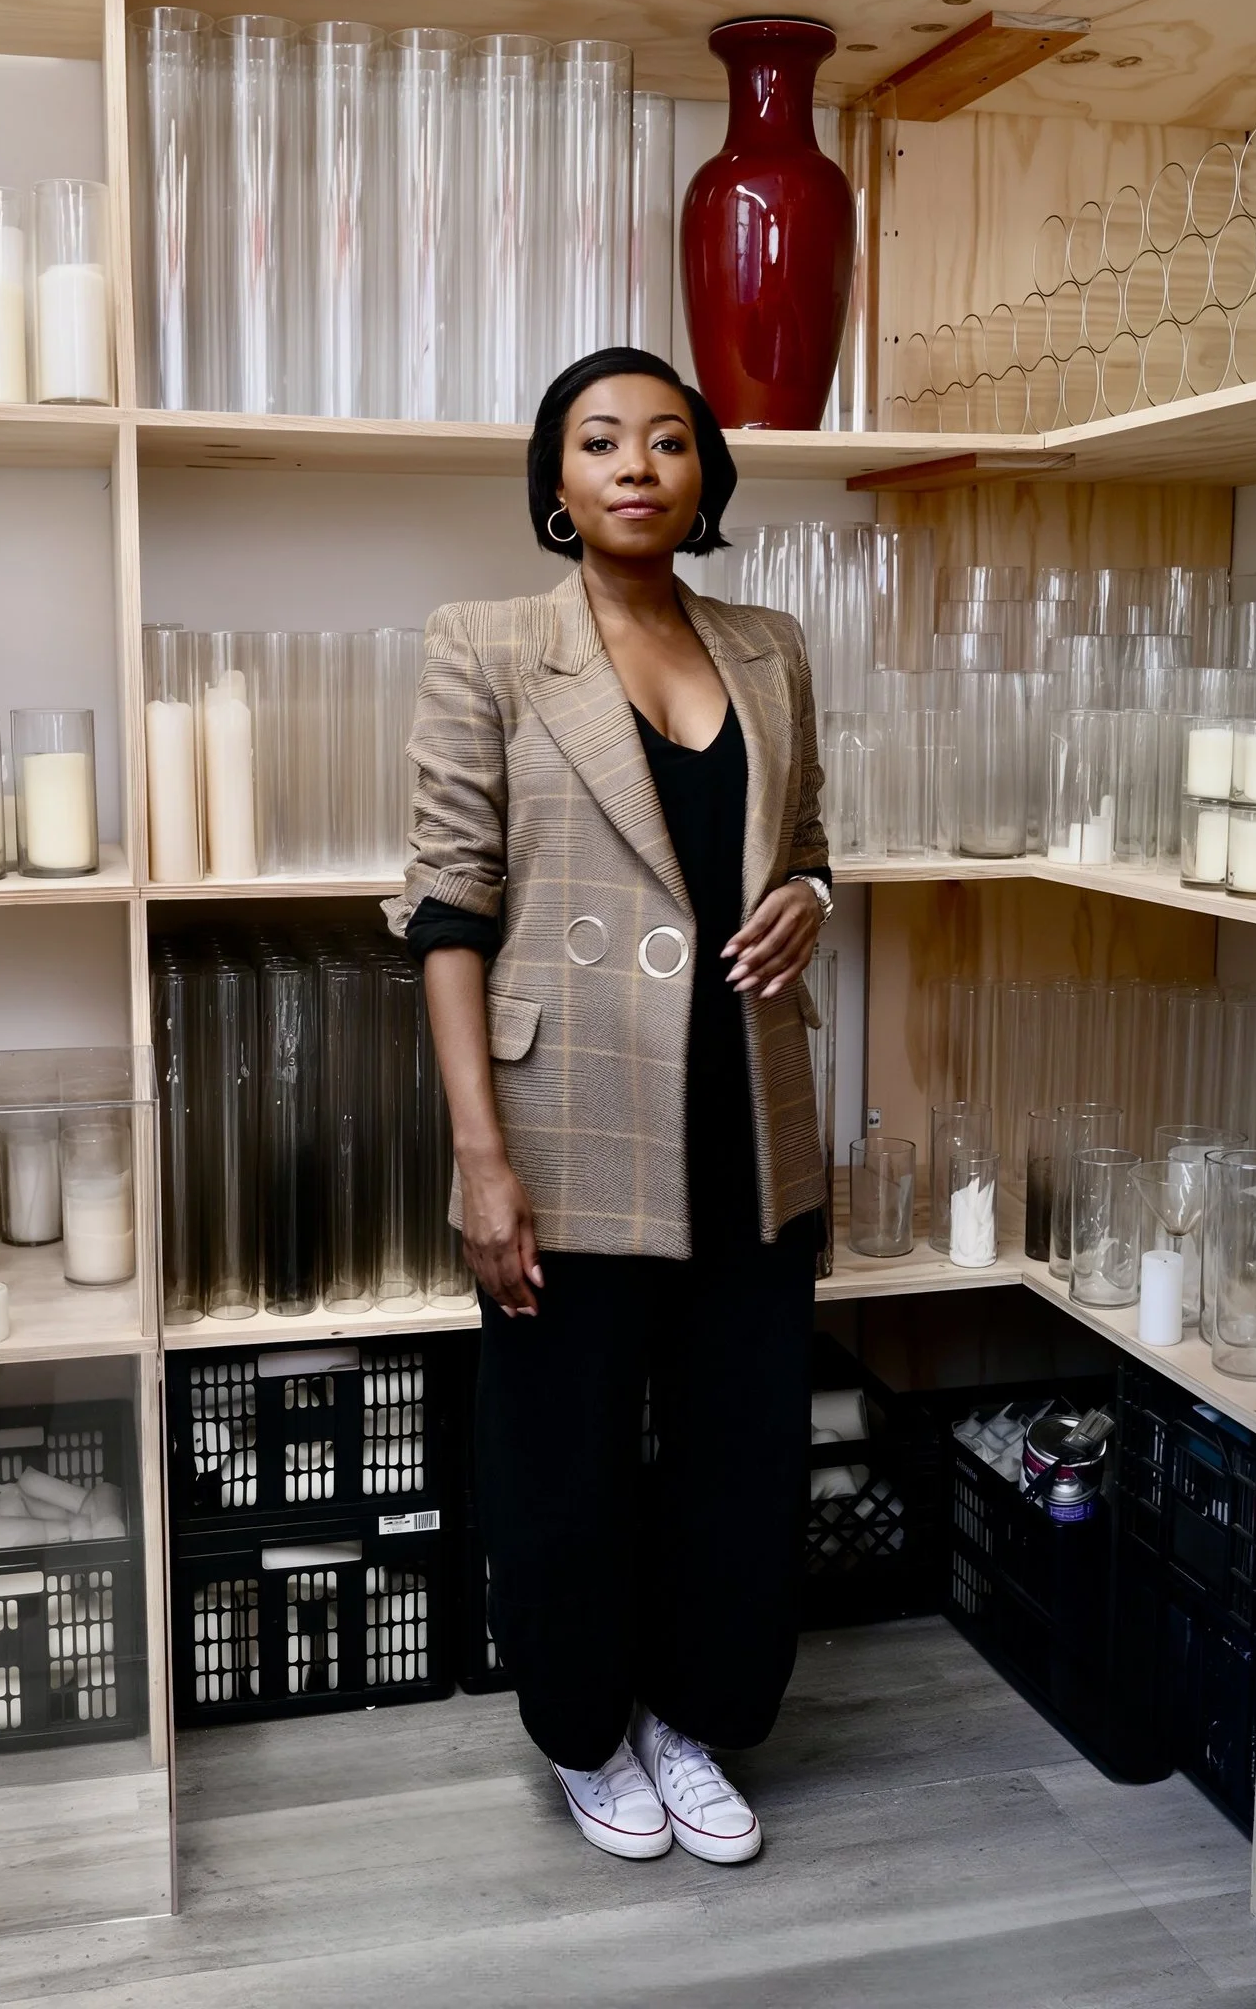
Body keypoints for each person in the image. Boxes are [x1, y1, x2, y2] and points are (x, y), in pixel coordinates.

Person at [388, 346, 833, 1865]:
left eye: (667, 439)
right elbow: (448, 906)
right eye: (599, 441)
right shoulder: (492, 645)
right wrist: (479, 1158)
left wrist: (814, 898)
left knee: (741, 1451)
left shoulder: (770, 648)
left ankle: (692, 1717)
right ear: (557, 485)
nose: (637, 463)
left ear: (704, 473)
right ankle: (587, 1733)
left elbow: (810, 838)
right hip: (566, 1116)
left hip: (751, 1116)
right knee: (565, 1456)